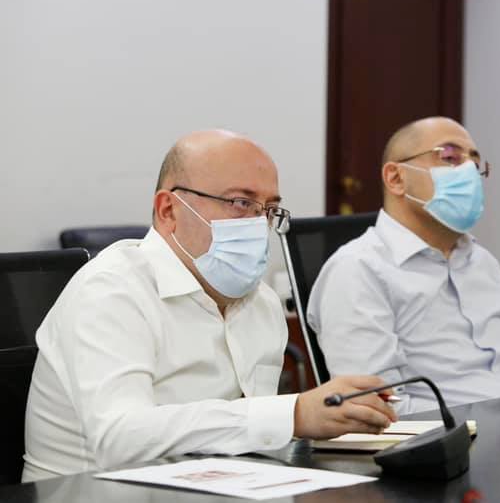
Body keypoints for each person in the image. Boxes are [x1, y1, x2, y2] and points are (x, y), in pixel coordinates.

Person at [22, 130, 396, 481]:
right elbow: (119, 438)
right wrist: (293, 414)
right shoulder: (111, 290)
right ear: (168, 210)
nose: (258, 224)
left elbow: (247, 441)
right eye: (240, 203)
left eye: (268, 210)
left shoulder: (261, 303)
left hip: (213, 485)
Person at [307, 117, 500, 413]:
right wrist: (484, 427)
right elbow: (380, 405)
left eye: (475, 164)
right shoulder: (358, 270)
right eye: (449, 157)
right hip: (459, 435)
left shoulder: (482, 262)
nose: (469, 172)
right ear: (396, 178)